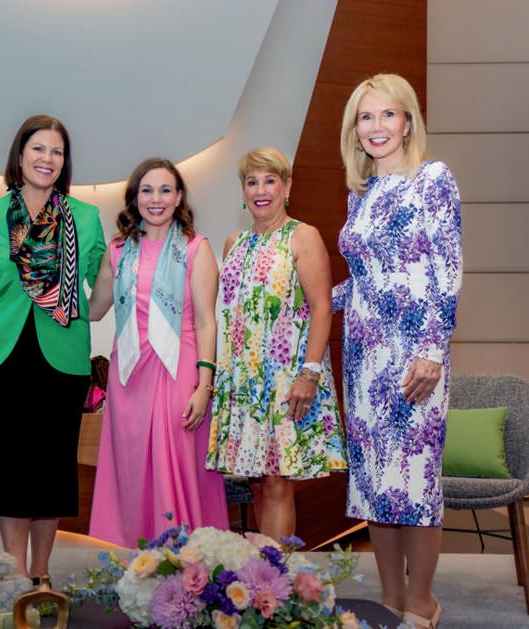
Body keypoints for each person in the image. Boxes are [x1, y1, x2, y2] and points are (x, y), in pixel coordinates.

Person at [335, 74, 461, 629]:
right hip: (363, 352)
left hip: (416, 353)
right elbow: (365, 280)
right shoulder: (360, 193)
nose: (376, 126)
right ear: (355, 129)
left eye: (388, 114)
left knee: (414, 478)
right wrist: (311, 302)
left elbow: (446, 268)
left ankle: (422, 602)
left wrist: (433, 348)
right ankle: (389, 597)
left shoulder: (433, 178)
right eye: (366, 117)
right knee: (373, 481)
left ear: (408, 122)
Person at [0, 114, 105, 581]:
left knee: (52, 468)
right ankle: (14, 573)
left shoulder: (85, 218)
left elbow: (103, 287)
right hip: (1, 356)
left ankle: (41, 575)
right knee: (8, 468)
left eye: (57, 151)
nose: (48, 159)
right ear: (20, 155)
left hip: (62, 356)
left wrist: (125, 269)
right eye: (39, 149)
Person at [206, 147, 347, 542]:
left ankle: (277, 575)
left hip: (287, 379)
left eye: (270, 180)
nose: (261, 190)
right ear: (243, 191)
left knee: (277, 482)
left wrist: (309, 374)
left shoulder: (303, 236)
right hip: (244, 381)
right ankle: (262, 571)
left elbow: (322, 308)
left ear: (287, 186)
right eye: (252, 182)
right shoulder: (234, 241)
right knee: (256, 482)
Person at [88, 158, 229, 546]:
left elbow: (207, 322)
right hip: (128, 375)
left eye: (166, 190)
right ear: (134, 197)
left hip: (178, 371)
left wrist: (205, 386)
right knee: (131, 469)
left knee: (176, 465)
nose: (156, 199)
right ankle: (130, 557)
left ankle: (184, 558)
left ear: (179, 197)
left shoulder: (196, 248)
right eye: (147, 190)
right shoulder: (118, 250)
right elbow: (94, 309)